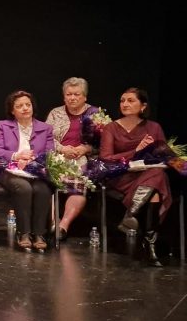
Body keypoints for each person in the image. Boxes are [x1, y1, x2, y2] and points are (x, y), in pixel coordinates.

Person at [99, 87, 170, 267]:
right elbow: (106, 158)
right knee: (155, 183)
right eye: (123, 100)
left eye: (131, 100)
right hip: (122, 176)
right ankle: (148, 244)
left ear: (143, 106)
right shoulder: (111, 128)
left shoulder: (154, 127)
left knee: (156, 175)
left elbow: (164, 155)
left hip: (148, 175)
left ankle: (132, 216)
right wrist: (136, 151)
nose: (125, 104)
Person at [0, 90, 55, 253]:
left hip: (35, 171)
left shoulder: (45, 128)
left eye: (28, 105)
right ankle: (23, 232)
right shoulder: (4, 126)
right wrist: (17, 156)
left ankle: (39, 234)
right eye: (19, 106)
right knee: (23, 188)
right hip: (8, 170)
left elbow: (50, 153)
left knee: (43, 189)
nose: (25, 108)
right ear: (12, 110)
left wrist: (33, 160)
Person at [44, 77, 98, 241]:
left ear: (85, 97)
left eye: (76, 94)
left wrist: (86, 148)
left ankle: (63, 226)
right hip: (57, 156)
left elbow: (104, 143)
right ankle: (53, 223)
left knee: (78, 183)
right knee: (46, 180)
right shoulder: (56, 113)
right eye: (69, 94)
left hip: (82, 159)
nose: (72, 98)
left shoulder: (95, 114)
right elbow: (45, 137)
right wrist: (62, 148)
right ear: (64, 96)